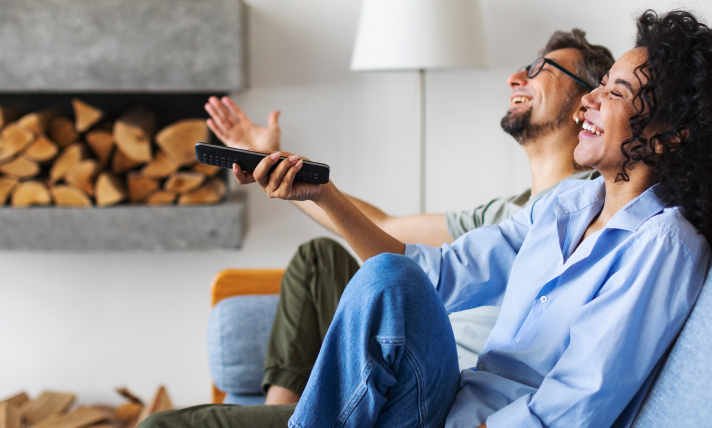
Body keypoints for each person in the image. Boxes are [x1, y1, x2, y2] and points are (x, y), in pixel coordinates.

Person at [140, 8, 712, 428]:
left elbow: (581, 400)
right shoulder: (562, 207)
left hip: (476, 422)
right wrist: (318, 190)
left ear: (674, 132)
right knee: (391, 278)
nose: (591, 102)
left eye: (614, 92)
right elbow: (430, 275)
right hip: (445, 399)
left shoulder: (663, 243)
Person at [204, 30, 614, 406]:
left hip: (438, 383)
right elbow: (388, 231)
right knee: (319, 260)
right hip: (406, 347)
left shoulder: (593, 218)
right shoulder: (500, 215)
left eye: (541, 69)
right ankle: (285, 412)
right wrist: (286, 170)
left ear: (588, 100)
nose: (515, 78)